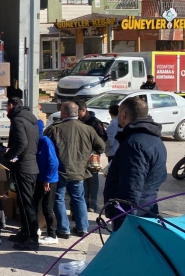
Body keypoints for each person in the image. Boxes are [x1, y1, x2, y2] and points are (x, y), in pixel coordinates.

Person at [104, 97, 167, 231]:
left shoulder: (134, 144)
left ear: (123, 114)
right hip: (147, 208)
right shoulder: (155, 139)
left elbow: (131, 188)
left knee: (128, 250)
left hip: (134, 214)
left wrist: (124, 222)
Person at [44, 102, 105, 238]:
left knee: (59, 199)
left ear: (64, 113)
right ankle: (82, 228)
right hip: (79, 171)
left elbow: (44, 148)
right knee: (79, 198)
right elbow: (101, 147)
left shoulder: (54, 129)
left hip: (59, 171)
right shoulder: (87, 129)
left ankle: (64, 229)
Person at [4, 97, 40, 250]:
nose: (6, 110)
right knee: (26, 202)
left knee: (26, 205)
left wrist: (10, 155)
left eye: (7, 107)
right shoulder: (32, 120)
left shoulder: (18, 120)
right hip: (31, 165)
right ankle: (25, 232)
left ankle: (32, 238)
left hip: (23, 168)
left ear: (11, 106)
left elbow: (21, 143)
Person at [76, 100, 107, 213]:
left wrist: (93, 147)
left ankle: (93, 203)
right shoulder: (78, 122)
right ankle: (85, 201)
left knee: (93, 179)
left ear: (83, 110)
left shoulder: (95, 122)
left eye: (77, 111)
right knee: (83, 179)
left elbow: (104, 138)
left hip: (93, 155)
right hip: (80, 155)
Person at [33, 120, 60, 245]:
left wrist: (48, 180)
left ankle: (52, 234)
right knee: (36, 205)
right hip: (40, 179)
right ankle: (36, 228)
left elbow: (53, 162)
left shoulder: (45, 142)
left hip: (49, 180)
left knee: (47, 208)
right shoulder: (37, 142)